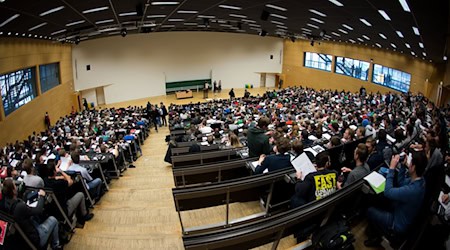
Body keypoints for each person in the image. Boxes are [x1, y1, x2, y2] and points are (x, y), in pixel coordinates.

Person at [364, 152, 427, 247]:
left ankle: (376, 237)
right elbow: (401, 182)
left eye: (410, 163)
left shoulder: (413, 190)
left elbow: (388, 192)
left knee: (370, 210)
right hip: (399, 210)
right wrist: (402, 166)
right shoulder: (419, 180)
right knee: (381, 201)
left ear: (413, 167)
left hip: (396, 223)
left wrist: (392, 168)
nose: (408, 165)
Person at [0, 179, 63, 249]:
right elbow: (38, 210)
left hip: (20, 238)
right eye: (15, 186)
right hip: (34, 239)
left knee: (35, 218)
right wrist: (42, 196)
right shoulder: (19, 207)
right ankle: (56, 246)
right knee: (53, 219)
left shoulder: (4, 204)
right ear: (13, 190)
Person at [43, 160, 94, 227]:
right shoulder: (59, 183)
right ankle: (84, 215)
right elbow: (70, 180)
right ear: (54, 171)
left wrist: (57, 177)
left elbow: (53, 179)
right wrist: (61, 171)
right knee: (80, 194)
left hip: (53, 211)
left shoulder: (45, 180)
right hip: (64, 210)